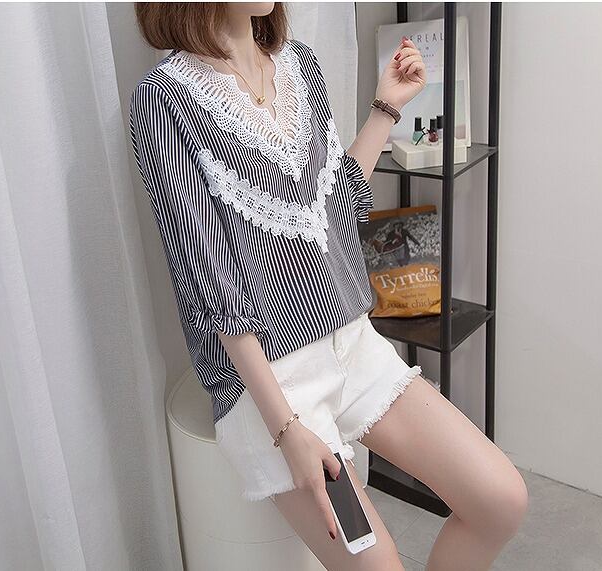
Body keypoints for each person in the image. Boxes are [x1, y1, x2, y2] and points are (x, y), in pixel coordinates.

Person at [130, 3, 527, 569]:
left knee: (500, 500)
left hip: (352, 344)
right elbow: (210, 284)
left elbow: (340, 207)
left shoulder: (298, 64)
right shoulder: (165, 99)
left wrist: (387, 107)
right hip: (272, 383)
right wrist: (286, 430)